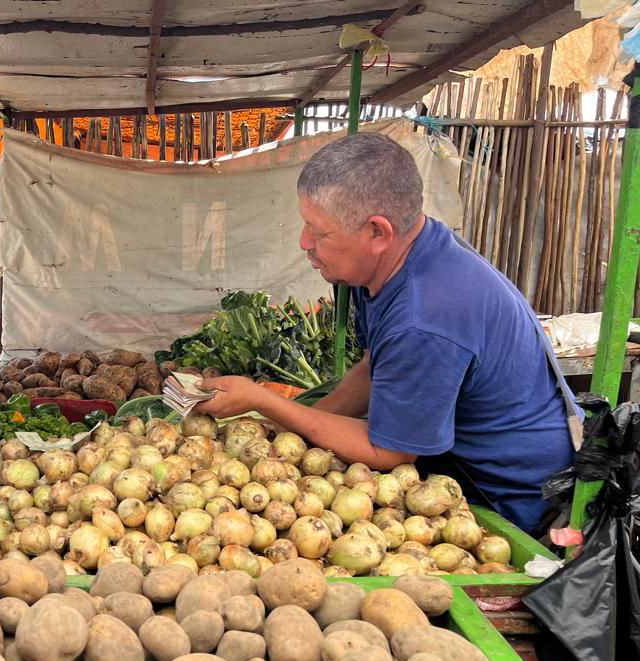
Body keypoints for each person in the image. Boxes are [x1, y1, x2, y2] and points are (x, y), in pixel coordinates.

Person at [196, 132, 576, 535]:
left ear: (378, 233)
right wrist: (305, 422)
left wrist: (264, 401)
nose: (304, 243)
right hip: (456, 469)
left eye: (319, 232)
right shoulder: (393, 262)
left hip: (516, 503)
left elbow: (389, 451)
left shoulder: (426, 316)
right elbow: (374, 366)